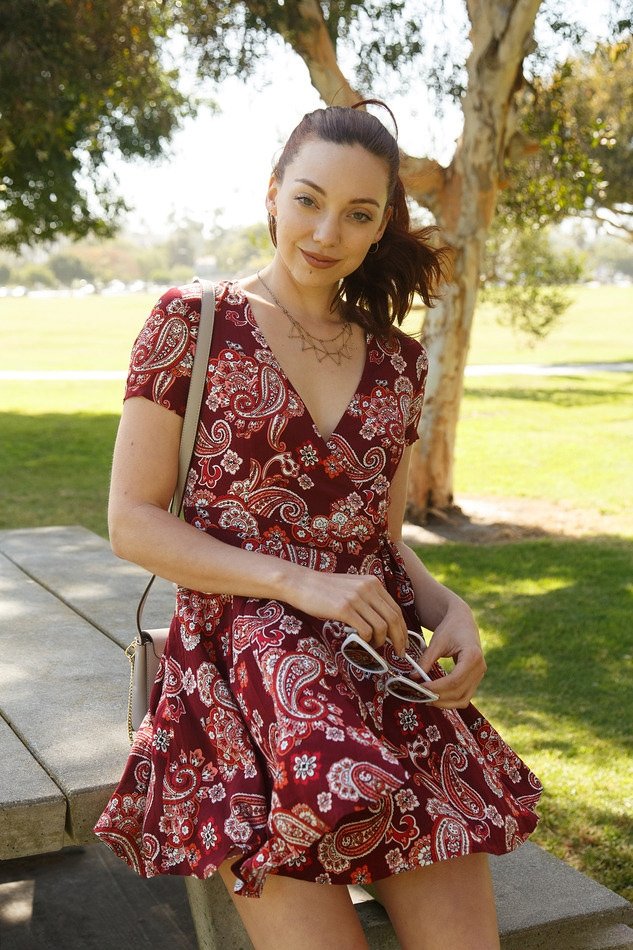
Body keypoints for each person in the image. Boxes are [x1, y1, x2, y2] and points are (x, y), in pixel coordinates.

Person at [94, 101, 541, 950]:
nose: (326, 231)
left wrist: (449, 609)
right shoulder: (192, 321)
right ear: (272, 194)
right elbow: (131, 522)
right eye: (307, 200)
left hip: (379, 676)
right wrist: (298, 582)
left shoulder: (398, 363)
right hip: (239, 686)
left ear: (381, 226)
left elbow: (379, 541)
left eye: (358, 213)